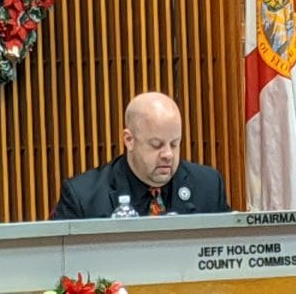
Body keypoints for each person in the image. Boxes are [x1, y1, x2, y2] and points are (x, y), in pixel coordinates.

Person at [50, 91, 230, 219]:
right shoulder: (83, 197)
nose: (168, 154)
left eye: (175, 144)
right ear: (129, 140)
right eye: (156, 145)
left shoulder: (209, 187)